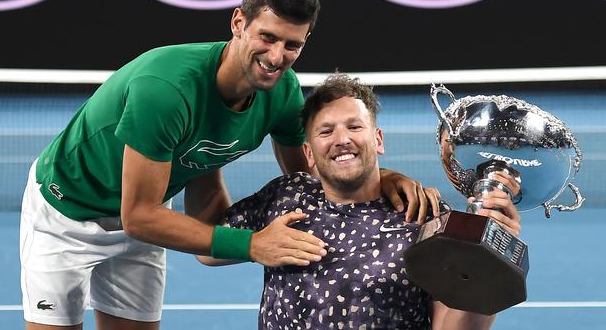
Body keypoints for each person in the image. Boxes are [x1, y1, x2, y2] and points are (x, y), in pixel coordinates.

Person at [19, 0, 440, 330]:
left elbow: (316, 179)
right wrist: (254, 245)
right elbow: (139, 215)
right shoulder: (165, 91)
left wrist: (385, 177)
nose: (277, 57)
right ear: (239, 22)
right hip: (67, 213)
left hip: (143, 223)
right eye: (267, 37)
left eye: (292, 45)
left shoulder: (282, 94)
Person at [198, 73, 521, 329]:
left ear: (377, 139)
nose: (342, 139)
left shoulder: (427, 217)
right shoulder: (285, 195)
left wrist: (486, 261)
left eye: (355, 126)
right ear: (308, 153)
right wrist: (200, 149)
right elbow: (206, 251)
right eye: (326, 132)